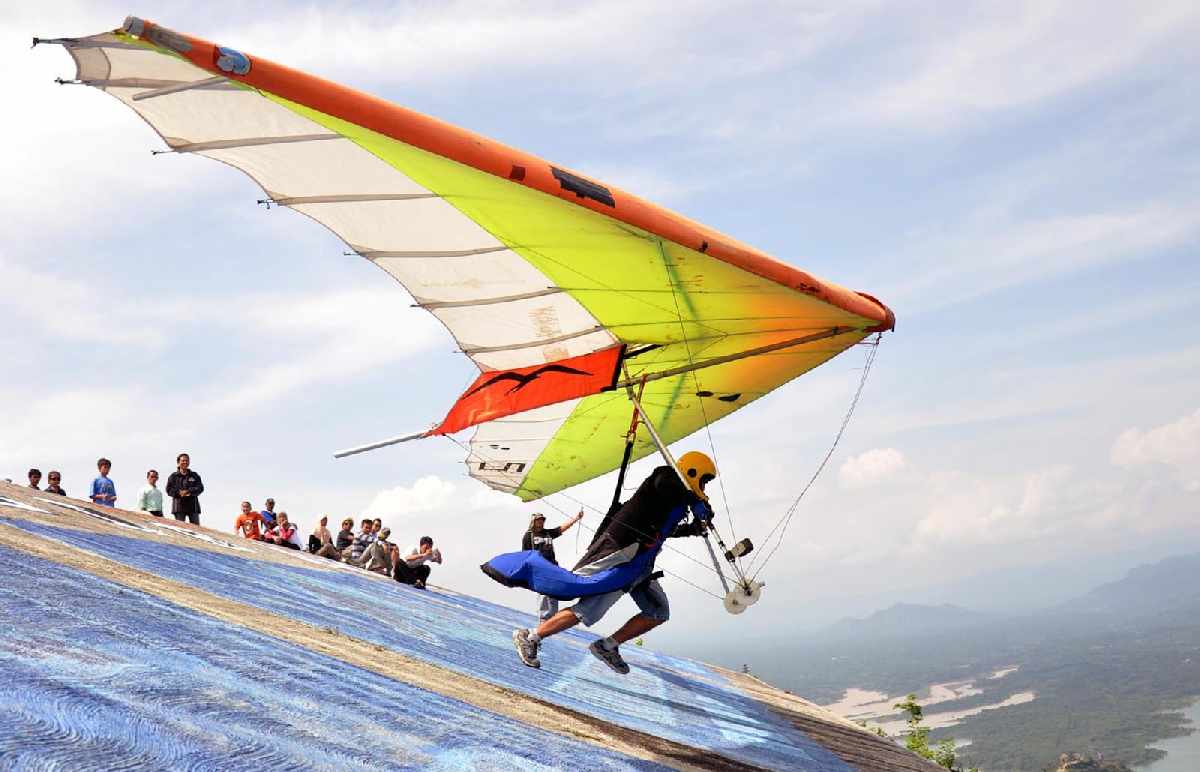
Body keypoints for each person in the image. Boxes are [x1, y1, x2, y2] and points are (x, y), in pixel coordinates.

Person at [512, 451, 715, 674]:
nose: (703, 488)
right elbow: (665, 486)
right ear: (692, 471)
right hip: (618, 555)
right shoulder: (665, 478)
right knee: (588, 610)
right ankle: (530, 637)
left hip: (640, 563)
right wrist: (693, 498)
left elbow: (661, 528)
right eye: (703, 481)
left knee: (658, 611)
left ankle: (607, 646)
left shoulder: (677, 500)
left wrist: (692, 528)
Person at [522, 510, 583, 621]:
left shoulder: (547, 533)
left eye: (542, 520)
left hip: (552, 566)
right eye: (538, 520)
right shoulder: (528, 536)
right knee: (544, 591)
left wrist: (576, 518)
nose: (541, 522)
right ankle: (543, 618)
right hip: (539, 568)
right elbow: (525, 555)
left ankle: (551, 617)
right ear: (533, 522)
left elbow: (561, 529)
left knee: (554, 589)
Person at [165, 453, 203, 525]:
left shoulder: (195, 475)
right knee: (180, 529)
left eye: (187, 460)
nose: (185, 462)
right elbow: (169, 489)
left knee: (196, 530)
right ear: (178, 462)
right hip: (179, 507)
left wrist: (189, 492)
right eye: (183, 460)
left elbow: (200, 488)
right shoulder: (173, 476)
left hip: (193, 507)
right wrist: (179, 493)